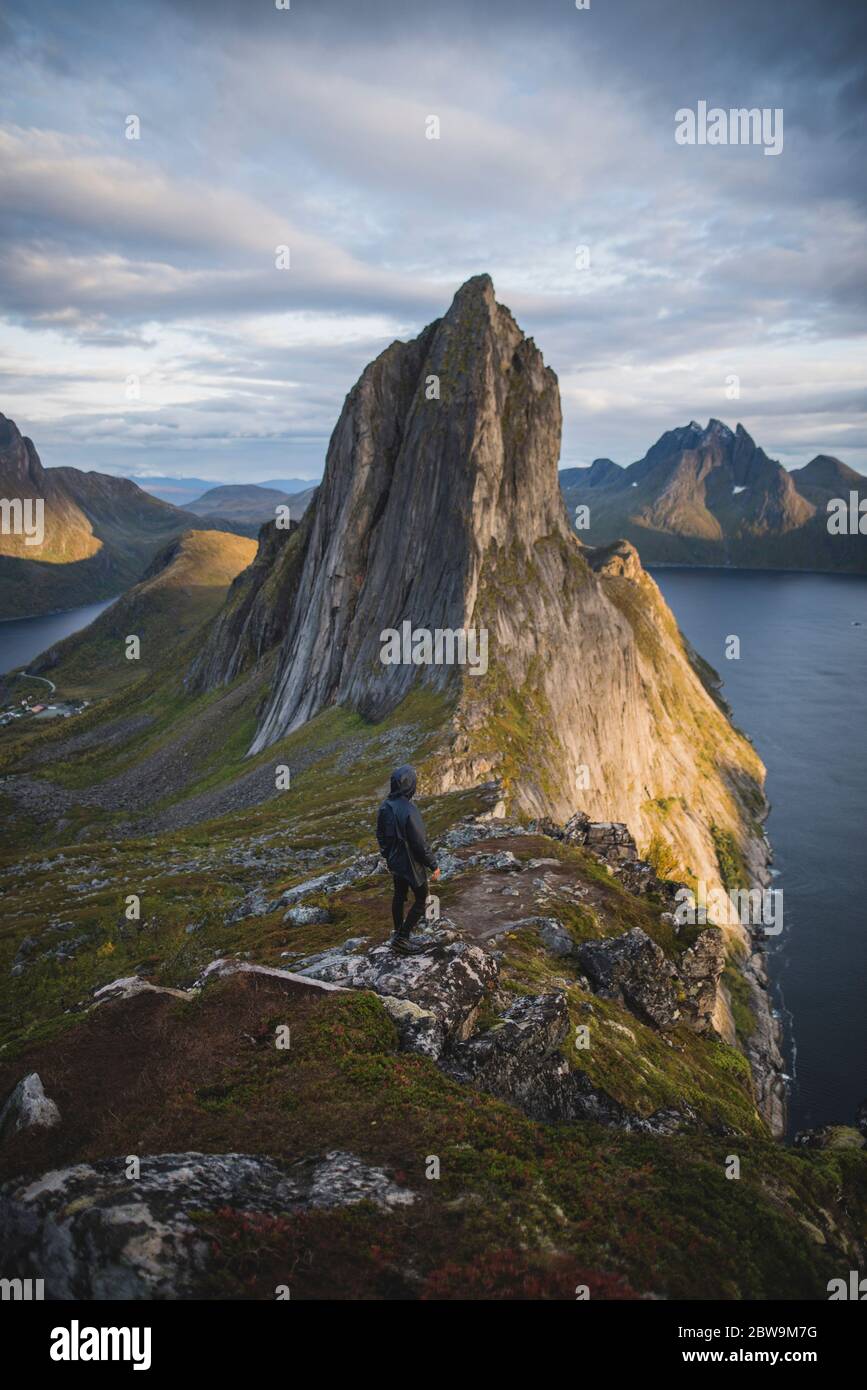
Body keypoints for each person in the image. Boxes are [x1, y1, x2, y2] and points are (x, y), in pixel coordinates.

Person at [376, 764, 440, 954]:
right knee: (422, 898)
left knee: (399, 896)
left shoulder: (385, 806)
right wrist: (433, 865)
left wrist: (387, 854)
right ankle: (402, 938)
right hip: (411, 863)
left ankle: (397, 933)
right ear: (410, 785)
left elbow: (380, 834)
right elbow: (419, 843)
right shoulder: (409, 810)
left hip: (395, 862)